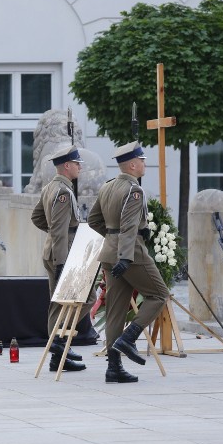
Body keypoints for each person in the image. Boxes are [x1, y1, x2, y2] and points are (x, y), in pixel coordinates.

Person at [88, 141, 170, 384]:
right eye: (142, 160)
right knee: (158, 295)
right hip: (130, 253)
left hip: (110, 253)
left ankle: (113, 367)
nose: (145, 164)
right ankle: (130, 337)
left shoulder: (108, 187)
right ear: (133, 164)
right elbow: (130, 226)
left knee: (114, 310)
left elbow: (93, 220)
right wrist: (125, 254)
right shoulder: (135, 191)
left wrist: (112, 239)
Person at [31, 145, 87, 373]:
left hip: (56, 250)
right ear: (66, 166)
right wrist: (62, 262)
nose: (79, 167)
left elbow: (37, 218)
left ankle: (58, 356)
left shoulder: (50, 188)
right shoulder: (63, 192)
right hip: (64, 253)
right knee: (87, 297)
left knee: (58, 303)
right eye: (76, 163)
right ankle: (59, 342)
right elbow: (59, 229)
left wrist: (54, 233)